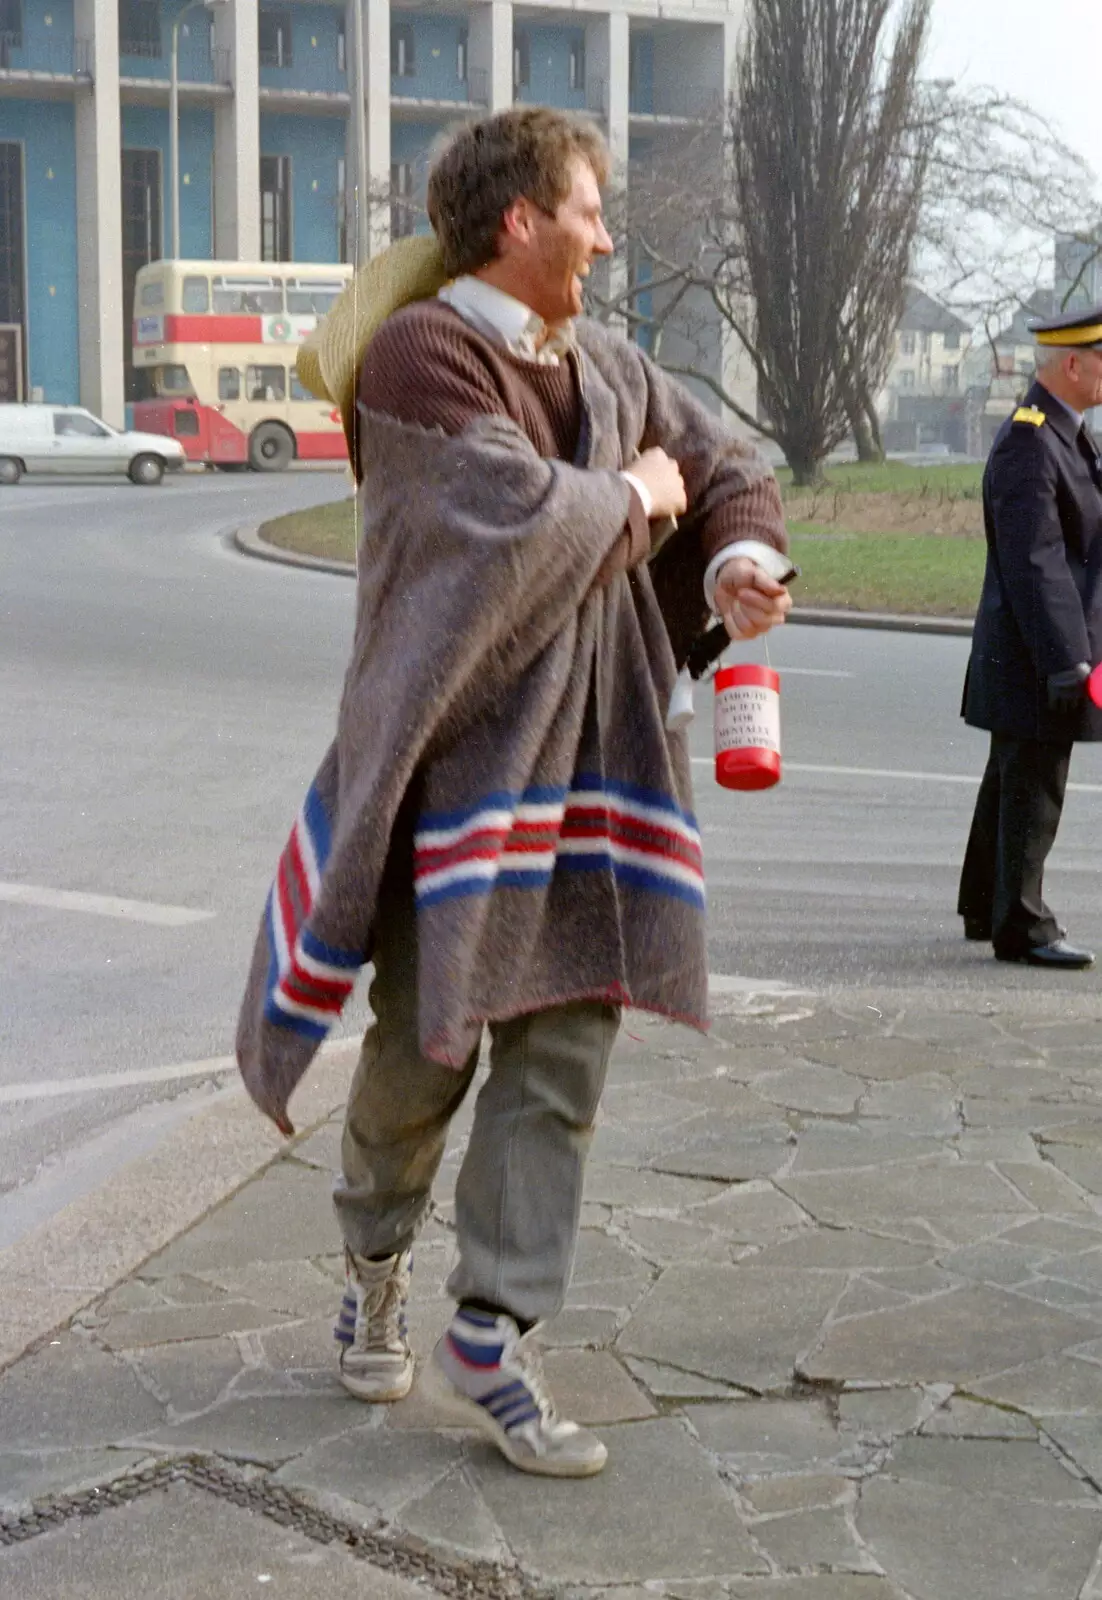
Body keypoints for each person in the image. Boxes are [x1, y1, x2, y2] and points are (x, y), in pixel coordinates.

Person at [236, 108, 791, 1479]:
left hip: (595, 766)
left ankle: (493, 1329)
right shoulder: (423, 356)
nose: (606, 238)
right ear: (519, 221)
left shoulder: (603, 360)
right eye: (589, 211)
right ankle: (373, 1257)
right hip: (457, 768)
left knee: (564, 1051)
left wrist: (730, 550)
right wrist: (636, 496)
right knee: (425, 1050)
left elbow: (717, 460)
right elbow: (502, 521)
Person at [957, 302, 1102, 968]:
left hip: (1035, 647)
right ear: (1072, 364)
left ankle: (984, 903)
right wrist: (1070, 660)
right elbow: (1038, 563)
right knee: (1034, 781)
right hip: (1037, 651)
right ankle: (1022, 925)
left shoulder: (1065, 432)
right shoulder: (1031, 438)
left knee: (1012, 773)